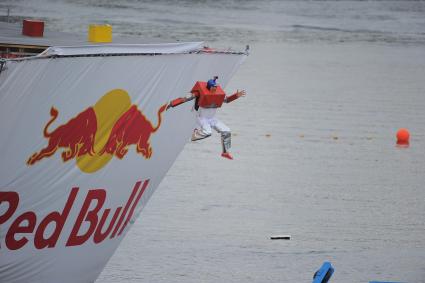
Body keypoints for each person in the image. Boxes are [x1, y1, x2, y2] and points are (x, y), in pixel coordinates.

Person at [168, 76, 246, 160]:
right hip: (202, 118)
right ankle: (195, 134)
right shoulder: (199, 93)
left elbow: (227, 100)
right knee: (208, 132)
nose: (214, 89)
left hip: (212, 118)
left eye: (215, 87)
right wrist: (172, 104)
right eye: (213, 87)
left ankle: (225, 152)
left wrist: (236, 96)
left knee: (227, 130)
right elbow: (185, 98)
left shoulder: (218, 94)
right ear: (209, 87)